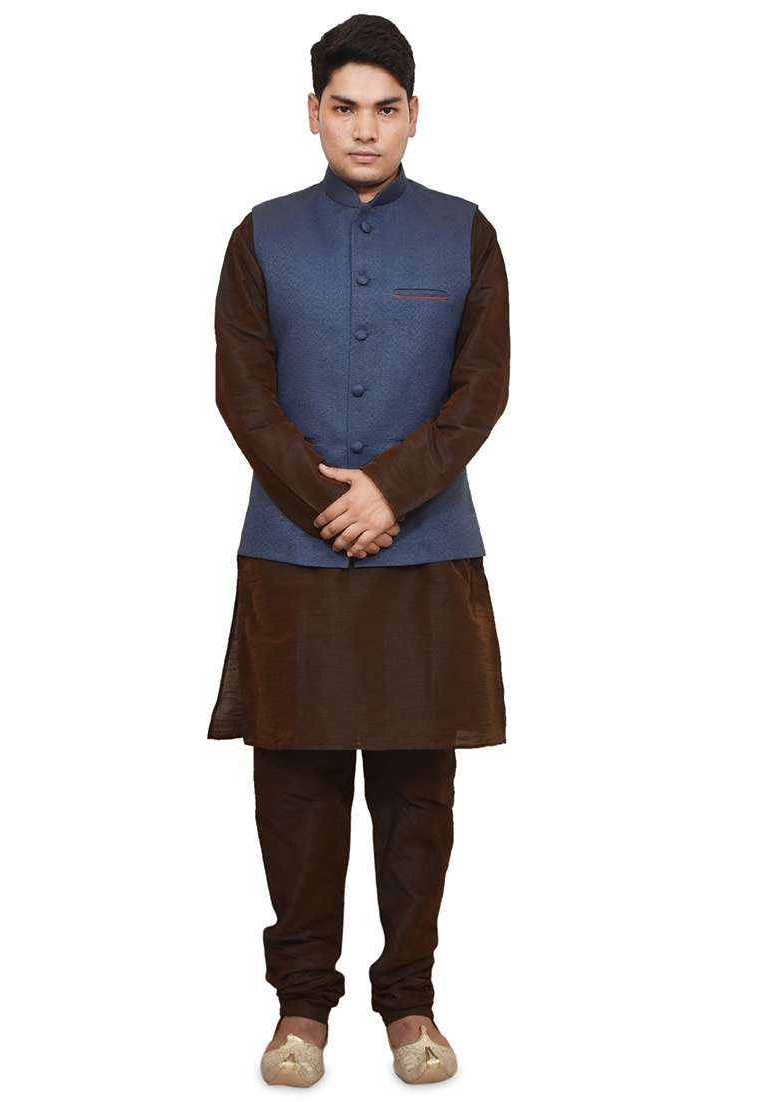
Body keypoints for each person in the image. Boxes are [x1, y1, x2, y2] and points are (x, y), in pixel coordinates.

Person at [207, 14, 510, 1087]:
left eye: (386, 109)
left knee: (417, 788)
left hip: (426, 548)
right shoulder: (260, 236)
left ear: (414, 115)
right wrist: (324, 499)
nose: (366, 129)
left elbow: (481, 389)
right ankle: (300, 1012)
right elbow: (241, 390)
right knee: (295, 785)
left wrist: (390, 491)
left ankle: (410, 1005)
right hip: (289, 554)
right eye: (345, 108)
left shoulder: (466, 233)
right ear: (313, 114)